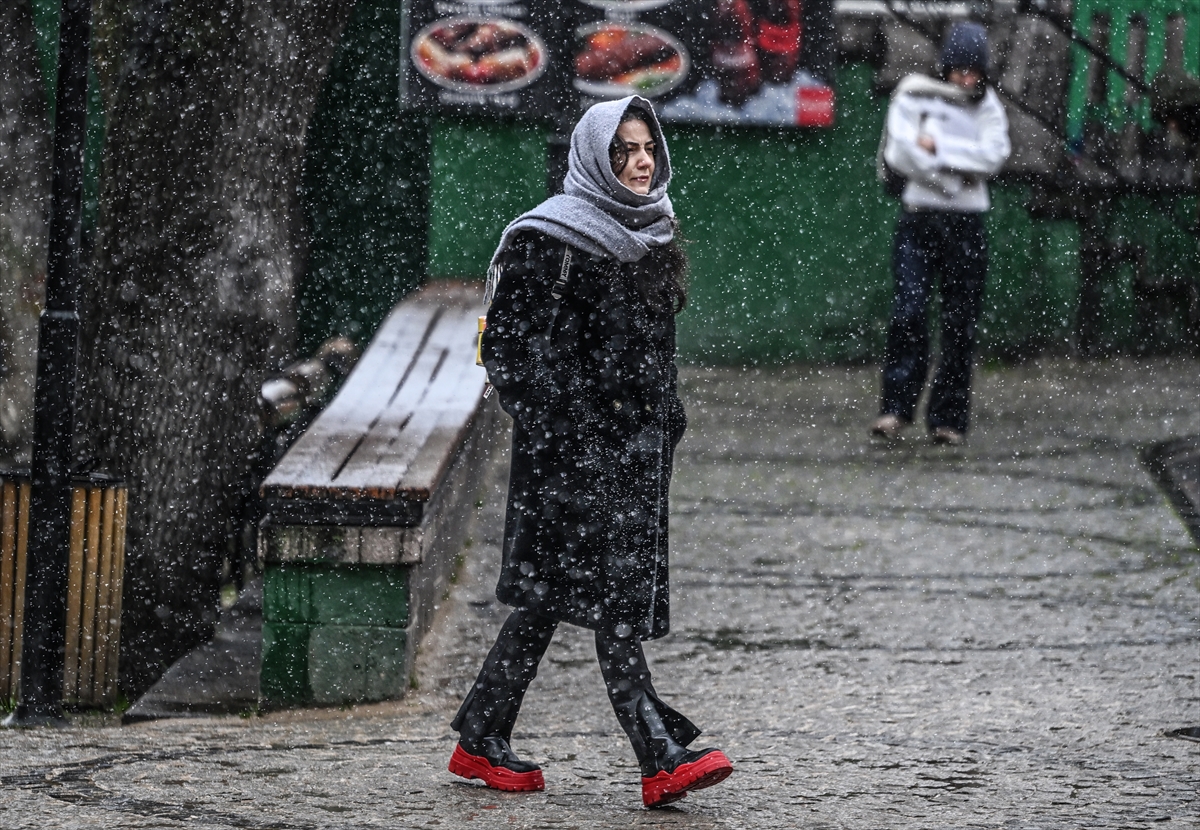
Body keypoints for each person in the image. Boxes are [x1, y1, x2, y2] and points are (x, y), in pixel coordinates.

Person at [448, 96, 734, 809]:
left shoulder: (654, 231)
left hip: (634, 459)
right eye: (623, 152)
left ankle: (481, 737)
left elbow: (649, 360)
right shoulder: (548, 238)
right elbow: (510, 352)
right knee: (611, 604)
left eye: (646, 150)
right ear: (593, 159)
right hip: (569, 462)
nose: (640, 163)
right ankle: (659, 754)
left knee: (549, 600)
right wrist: (573, 429)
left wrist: (665, 422)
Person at [871, 22, 1011, 446]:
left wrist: (940, 151)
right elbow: (901, 151)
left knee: (959, 323)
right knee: (908, 312)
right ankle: (895, 409)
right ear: (945, 66)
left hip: (967, 226)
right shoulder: (915, 94)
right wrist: (953, 177)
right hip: (919, 219)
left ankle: (948, 419)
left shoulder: (987, 106)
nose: (965, 80)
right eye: (959, 70)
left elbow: (994, 155)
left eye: (973, 71)